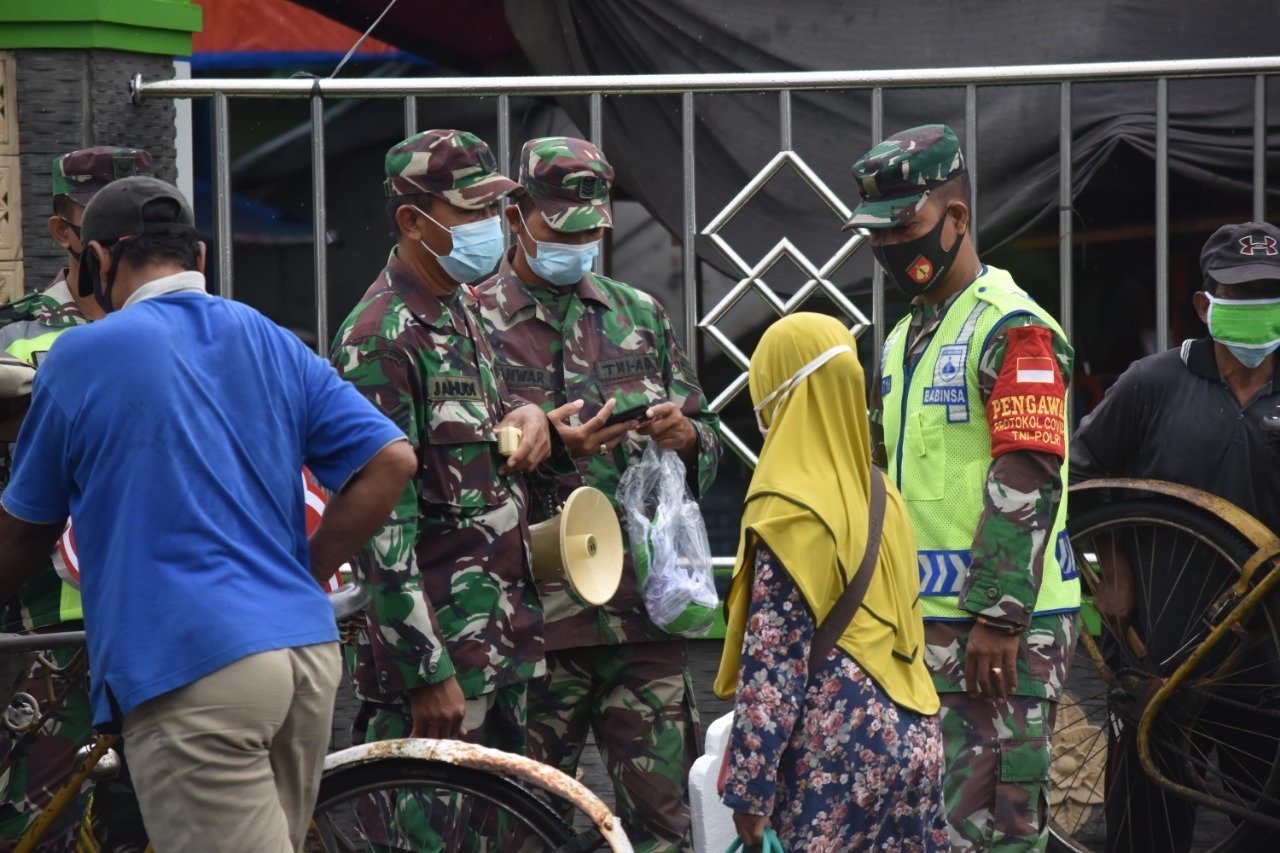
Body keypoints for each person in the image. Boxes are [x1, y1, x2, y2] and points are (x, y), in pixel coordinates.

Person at [0, 175, 415, 852]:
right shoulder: (268, 335)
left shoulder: (83, 354)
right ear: (199, 257)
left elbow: (25, 530)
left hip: (193, 664)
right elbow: (390, 462)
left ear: (99, 261)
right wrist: (298, 573)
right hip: (305, 656)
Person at [472, 136, 721, 851]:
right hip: (535, 627)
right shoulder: (472, 323)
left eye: (591, 230)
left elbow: (706, 443)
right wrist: (539, 451)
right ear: (518, 215)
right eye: (564, 229)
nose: (580, 243)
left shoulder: (639, 313)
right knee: (524, 829)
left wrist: (687, 436)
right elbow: (452, 471)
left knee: (667, 826)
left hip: (640, 624)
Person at [330, 129, 560, 848]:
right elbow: (379, 525)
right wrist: (423, 671)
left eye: (495, 209)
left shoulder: (460, 310)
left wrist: (528, 420)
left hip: (497, 642)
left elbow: (473, 448)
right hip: (436, 671)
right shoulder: (380, 338)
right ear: (412, 220)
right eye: (469, 213)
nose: (490, 229)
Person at [857, 124, 1080, 851]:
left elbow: (1029, 474)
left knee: (996, 832)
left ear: (956, 219)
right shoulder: (904, 338)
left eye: (906, 227)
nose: (891, 247)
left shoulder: (1013, 330)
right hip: (930, 631)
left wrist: (1001, 617)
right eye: (878, 234)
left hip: (999, 637)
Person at [1070, 222, 1280, 852]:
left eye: (1270, 293)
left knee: (1261, 830)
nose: (1255, 309)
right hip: (1154, 660)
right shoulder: (1150, 384)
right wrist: (1113, 569)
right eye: (1239, 295)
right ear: (1204, 304)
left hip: (1266, 669)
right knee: (1146, 834)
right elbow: (1082, 475)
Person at [715, 312, 947, 850]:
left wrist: (749, 793)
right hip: (917, 739)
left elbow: (773, 664)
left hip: (838, 752)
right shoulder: (882, 494)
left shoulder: (789, 506)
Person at [0, 146, 152, 851]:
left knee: (142, 807)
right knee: (39, 809)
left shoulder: (176, 319)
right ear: (64, 232)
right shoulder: (15, 333)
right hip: (45, 625)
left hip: (152, 609)